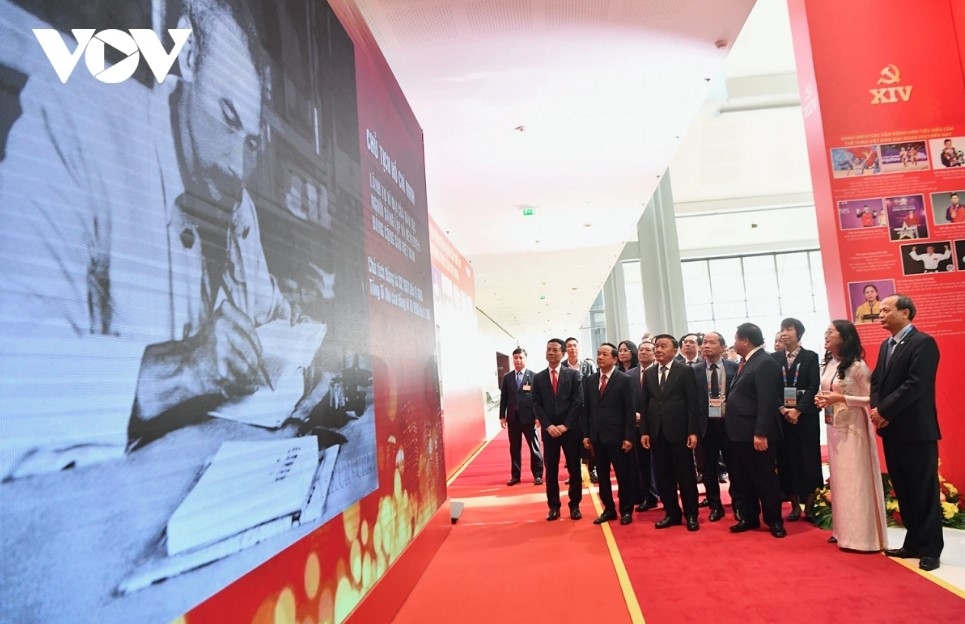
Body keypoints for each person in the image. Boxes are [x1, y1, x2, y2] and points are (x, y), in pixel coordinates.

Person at [0, 0, 298, 478]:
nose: (237, 166)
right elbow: (14, 386)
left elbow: (270, 315)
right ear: (188, 57)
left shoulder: (234, 197)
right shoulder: (75, 123)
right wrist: (185, 367)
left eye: (250, 141)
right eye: (226, 117)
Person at [870, 295, 942, 571]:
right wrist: (877, 409)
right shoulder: (886, 345)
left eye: (886, 310)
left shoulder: (923, 343)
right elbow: (877, 381)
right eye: (880, 311)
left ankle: (930, 549)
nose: (881, 315)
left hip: (917, 431)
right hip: (892, 430)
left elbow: (916, 384)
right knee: (903, 489)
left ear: (905, 312)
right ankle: (913, 543)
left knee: (923, 491)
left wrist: (884, 410)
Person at [813, 321, 887, 552]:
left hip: (855, 429)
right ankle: (843, 531)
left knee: (857, 480)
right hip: (834, 427)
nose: (826, 335)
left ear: (844, 338)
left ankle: (863, 537)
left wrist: (841, 399)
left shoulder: (857, 366)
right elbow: (827, 390)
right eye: (825, 332)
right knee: (840, 480)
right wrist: (822, 399)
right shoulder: (830, 363)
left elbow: (872, 399)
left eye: (831, 332)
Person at [726, 323, 786, 538]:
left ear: (745, 341)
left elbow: (767, 401)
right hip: (739, 433)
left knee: (764, 478)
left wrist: (761, 433)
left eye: (736, 339)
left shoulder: (764, 362)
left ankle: (774, 520)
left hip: (755, 433)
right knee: (743, 478)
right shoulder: (745, 362)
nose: (734, 343)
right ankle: (749, 517)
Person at [640, 335, 701, 531]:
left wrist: (692, 431)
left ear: (675, 351)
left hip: (680, 431)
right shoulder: (649, 373)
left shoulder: (684, 371)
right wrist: (645, 432)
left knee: (685, 475)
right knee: (663, 475)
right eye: (656, 346)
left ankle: (691, 514)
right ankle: (671, 513)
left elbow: (692, 403)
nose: (658, 350)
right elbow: (645, 403)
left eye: (663, 346)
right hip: (657, 432)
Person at [773, 318, 822, 522]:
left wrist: (798, 410)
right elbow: (771, 387)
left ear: (799, 334)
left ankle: (809, 505)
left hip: (806, 417)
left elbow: (813, 386)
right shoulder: (774, 358)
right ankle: (793, 505)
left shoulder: (810, 357)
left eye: (788, 329)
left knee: (809, 459)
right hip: (782, 417)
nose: (784, 333)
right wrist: (783, 409)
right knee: (786, 460)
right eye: (782, 329)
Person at [582, 343, 637, 525]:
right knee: (602, 477)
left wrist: (629, 437)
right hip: (597, 437)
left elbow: (630, 411)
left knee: (623, 476)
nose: (600, 357)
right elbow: (587, 410)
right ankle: (609, 509)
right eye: (598, 354)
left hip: (619, 437)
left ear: (614, 359)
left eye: (605, 354)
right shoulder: (590, 380)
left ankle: (626, 510)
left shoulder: (624, 380)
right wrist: (587, 434)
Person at [532, 338, 585, 521]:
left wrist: (565, 425)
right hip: (550, 432)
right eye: (548, 350)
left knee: (574, 469)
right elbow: (536, 404)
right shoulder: (538, 378)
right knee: (551, 470)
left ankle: (574, 505)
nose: (551, 353)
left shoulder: (574, 375)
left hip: (570, 430)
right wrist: (548, 425)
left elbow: (578, 402)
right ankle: (553, 506)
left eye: (555, 350)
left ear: (563, 353)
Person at [693, 331, 739, 522]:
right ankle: (715, 506)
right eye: (704, 342)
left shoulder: (734, 367)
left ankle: (738, 505)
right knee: (708, 469)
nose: (706, 346)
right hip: (706, 426)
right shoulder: (694, 370)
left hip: (729, 425)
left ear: (722, 347)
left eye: (711, 342)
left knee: (735, 467)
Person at [499, 348, 543, 486]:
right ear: (512, 359)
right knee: (514, 448)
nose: (518, 360)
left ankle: (538, 475)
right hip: (513, 418)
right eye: (516, 358)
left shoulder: (534, 376)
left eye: (521, 357)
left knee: (534, 447)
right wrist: (502, 416)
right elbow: (504, 398)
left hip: (529, 418)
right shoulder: (507, 377)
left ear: (526, 359)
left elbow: (537, 399)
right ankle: (515, 476)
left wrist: (538, 416)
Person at [628, 341, 659, 512]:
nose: (643, 352)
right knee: (643, 462)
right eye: (641, 350)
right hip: (637, 424)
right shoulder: (629, 374)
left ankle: (664, 492)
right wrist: (634, 414)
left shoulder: (659, 372)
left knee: (661, 461)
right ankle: (649, 495)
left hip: (658, 423)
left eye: (647, 350)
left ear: (654, 354)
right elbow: (625, 399)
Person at [563, 337, 598, 484]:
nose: (572, 348)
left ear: (578, 347)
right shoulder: (562, 366)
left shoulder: (588, 365)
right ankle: (573, 474)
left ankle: (593, 470)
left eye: (574, 345)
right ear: (565, 349)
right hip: (569, 411)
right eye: (569, 346)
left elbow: (595, 384)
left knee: (590, 441)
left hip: (586, 408)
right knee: (571, 443)